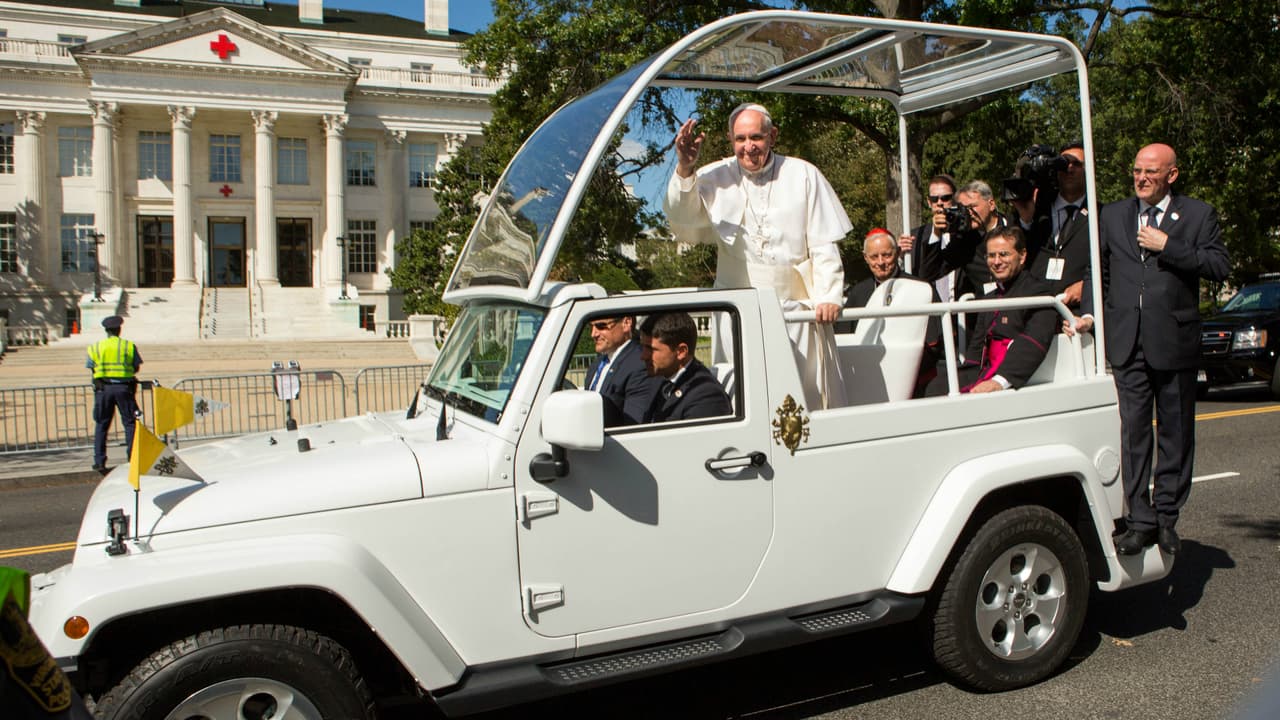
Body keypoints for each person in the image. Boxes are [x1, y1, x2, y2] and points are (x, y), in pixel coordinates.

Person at [1071, 143, 1230, 556]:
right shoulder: (1113, 215)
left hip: (1174, 341)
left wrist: (1168, 246)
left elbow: (1218, 266)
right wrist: (1091, 314)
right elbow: (1097, 270)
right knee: (1134, 434)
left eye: (1151, 172)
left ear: (1171, 176)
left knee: (1176, 434)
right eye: (1137, 170)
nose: (1141, 178)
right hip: (1128, 341)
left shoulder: (1198, 215)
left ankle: (1166, 517)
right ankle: (1139, 520)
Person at [664, 102, 851, 409]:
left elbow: (823, 242)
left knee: (801, 395)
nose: (748, 147)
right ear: (730, 139)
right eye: (740, 139)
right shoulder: (714, 176)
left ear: (772, 136)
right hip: (737, 307)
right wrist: (685, 167)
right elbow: (682, 220)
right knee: (746, 395)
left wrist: (829, 295)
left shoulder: (803, 174)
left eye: (756, 137)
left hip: (793, 308)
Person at [927, 227, 1056, 395]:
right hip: (985, 371)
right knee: (933, 388)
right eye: (991, 256)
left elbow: (1033, 342)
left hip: (1011, 375)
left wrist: (999, 381)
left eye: (1003, 254)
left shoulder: (1038, 293)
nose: (996, 262)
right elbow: (976, 351)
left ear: (1022, 256)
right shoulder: (990, 298)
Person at [1012, 141, 1090, 307]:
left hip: (1075, 313)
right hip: (1034, 308)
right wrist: (1026, 221)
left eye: (1077, 164)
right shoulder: (1036, 209)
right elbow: (1015, 252)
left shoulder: (1102, 215)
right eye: (1063, 163)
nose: (1069, 168)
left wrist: (1088, 286)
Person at [638, 312, 732, 423]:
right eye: (643, 347)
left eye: (651, 349)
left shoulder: (706, 397)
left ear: (681, 352)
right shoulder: (662, 380)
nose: (643, 356)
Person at [582, 314, 662, 426]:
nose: (593, 334)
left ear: (626, 323)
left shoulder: (640, 364)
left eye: (601, 326)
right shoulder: (598, 364)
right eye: (591, 327)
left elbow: (632, 425)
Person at [87, 315, 142, 474]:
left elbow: (92, 367)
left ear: (106, 330)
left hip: (103, 389)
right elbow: (136, 366)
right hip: (124, 388)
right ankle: (132, 458)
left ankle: (99, 461)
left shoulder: (96, 347)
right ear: (119, 329)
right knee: (130, 424)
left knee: (102, 425)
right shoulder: (128, 346)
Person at [942, 180, 1006, 303]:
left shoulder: (1013, 227)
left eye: (972, 207)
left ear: (991, 204)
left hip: (1016, 304)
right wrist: (937, 233)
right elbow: (933, 270)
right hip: (983, 311)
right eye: (964, 209)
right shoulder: (964, 239)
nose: (968, 213)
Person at [897, 173, 958, 284]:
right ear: (929, 202)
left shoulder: (965, 233)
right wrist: (900, 256)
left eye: (945, 198)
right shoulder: (915, 237)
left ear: (954, 199)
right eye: (934, 199)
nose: (939, 203)